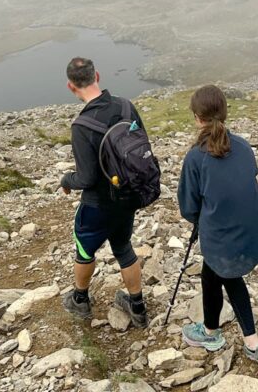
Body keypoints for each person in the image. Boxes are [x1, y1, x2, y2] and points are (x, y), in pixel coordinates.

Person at [177, 84, 258, 367]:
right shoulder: (242, 145)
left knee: (224, 272)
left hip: (227, 240)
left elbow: (189, 208)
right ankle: (217, 331)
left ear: (197, 118)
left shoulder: (196, 157)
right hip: (256, 230)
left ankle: (239, 340)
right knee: (213, 272)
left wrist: (203, 221)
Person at [60, 57, 149, 328]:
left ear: (71, 87)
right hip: (127, 197)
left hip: (98, 204)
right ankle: (137, 306)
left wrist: (66, 179)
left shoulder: (81, 126)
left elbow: (86, 178)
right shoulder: (126, 106)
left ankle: (80, 300)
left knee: (84, 250)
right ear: (97, 75)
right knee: (123, 247)